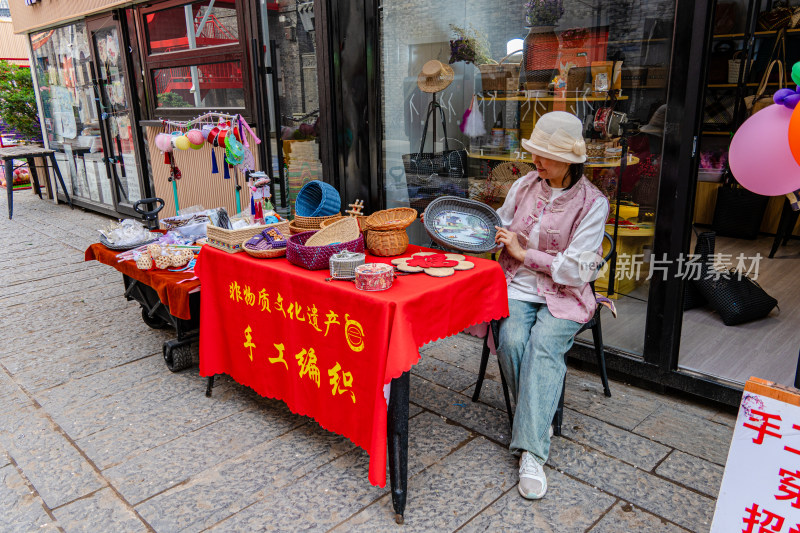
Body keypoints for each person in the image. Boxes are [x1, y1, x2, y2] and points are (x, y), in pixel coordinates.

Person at [493, 111, 609, 500]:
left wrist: (524, 253)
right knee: (510, 341)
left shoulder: (594, 203)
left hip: (566, 295)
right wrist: (478, 229)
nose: (536, 161)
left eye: (545, 155)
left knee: (543, 346)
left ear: (571, 161)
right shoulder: (527, 184)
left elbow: (577, 271)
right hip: (518, 287)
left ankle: (531, 452)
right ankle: (537, 424)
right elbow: (503, 222)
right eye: (536, 153)